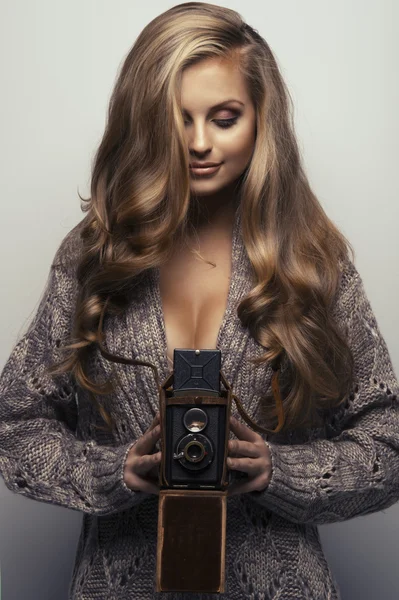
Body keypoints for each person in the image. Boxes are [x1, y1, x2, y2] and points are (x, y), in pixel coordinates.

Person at [1, 2, 398, 599]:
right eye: (177, 118)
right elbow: (14, 425)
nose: (199, 142)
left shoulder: (311, 261)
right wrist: (115, 473)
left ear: (262, 120)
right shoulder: (95, 256)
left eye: (225, 116)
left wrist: (278, 471)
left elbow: (388, 439)